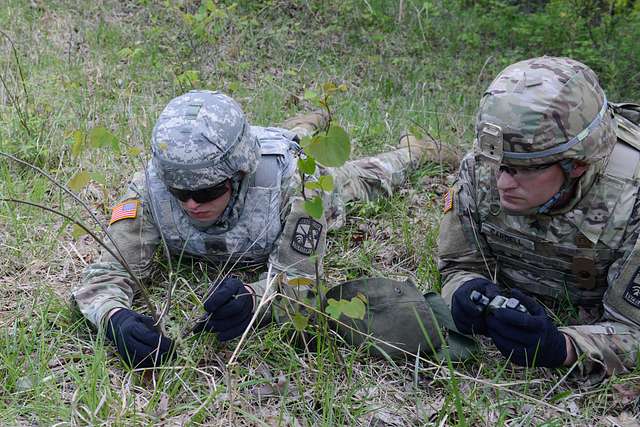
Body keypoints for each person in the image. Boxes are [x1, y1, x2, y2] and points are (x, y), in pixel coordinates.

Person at [71, 90, 454, 368]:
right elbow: (104, 276)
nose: (190, 204)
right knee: (292, 137)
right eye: (180, 192)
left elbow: (300, 284)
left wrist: (256, 298)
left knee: (366, 177)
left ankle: (414, 150)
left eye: (206, 191)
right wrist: (113, 318)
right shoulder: (151, 188)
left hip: (305, 172)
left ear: (239, 175)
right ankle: (302, 122)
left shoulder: (296, 185)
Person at [438, 56, 640, 384]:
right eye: (500, 164)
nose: (502, 183)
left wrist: (563, 347)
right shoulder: (481, 167)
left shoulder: (632, 199)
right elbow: (459, 265)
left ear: (577, 165)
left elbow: (633, 331)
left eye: (525, 170)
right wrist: (466, 290)